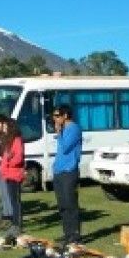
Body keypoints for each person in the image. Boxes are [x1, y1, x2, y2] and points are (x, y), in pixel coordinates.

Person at [52, 104, 83, 244]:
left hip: (69, 171)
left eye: (57, 116)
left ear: (65, 116)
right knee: (62, 204)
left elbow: (65, 148)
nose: (55, 119)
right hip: (59, 170)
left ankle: (75, 235)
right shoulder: (63, 129)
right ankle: (67, 233)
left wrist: (59, 133)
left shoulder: (74, 129)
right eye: (54, 116)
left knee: (70, 203)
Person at [0, 118, 25, 238]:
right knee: (11, 199)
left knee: (15, 201)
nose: (3, 128)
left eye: (5, 126)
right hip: (7, 173)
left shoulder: (17, 140)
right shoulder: (8, 140)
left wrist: (9, 161)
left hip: (14, 173)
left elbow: (19, 157)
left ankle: (17, 225)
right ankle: (14, 224)